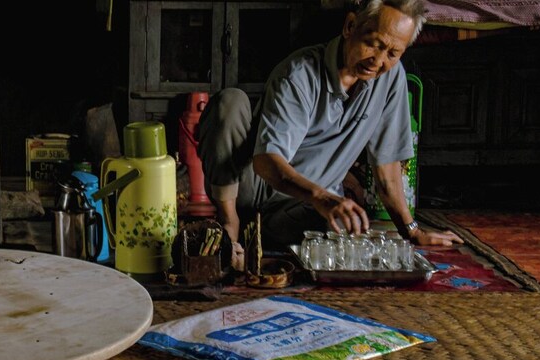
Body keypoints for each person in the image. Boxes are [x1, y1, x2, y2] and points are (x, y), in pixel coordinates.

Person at [196, 0, 463, 267]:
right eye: (373, 44)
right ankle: (230, 223)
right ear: (350, 26)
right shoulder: (299, 73)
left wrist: (412, 231)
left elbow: (387, 172)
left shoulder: (391, 80)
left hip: (301, 210)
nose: (378, 61)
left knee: (345, 230)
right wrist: (321, 197)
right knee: (230, 102)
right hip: (249, 188)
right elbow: (266, 161)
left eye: (393, 53)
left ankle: (257, 235)